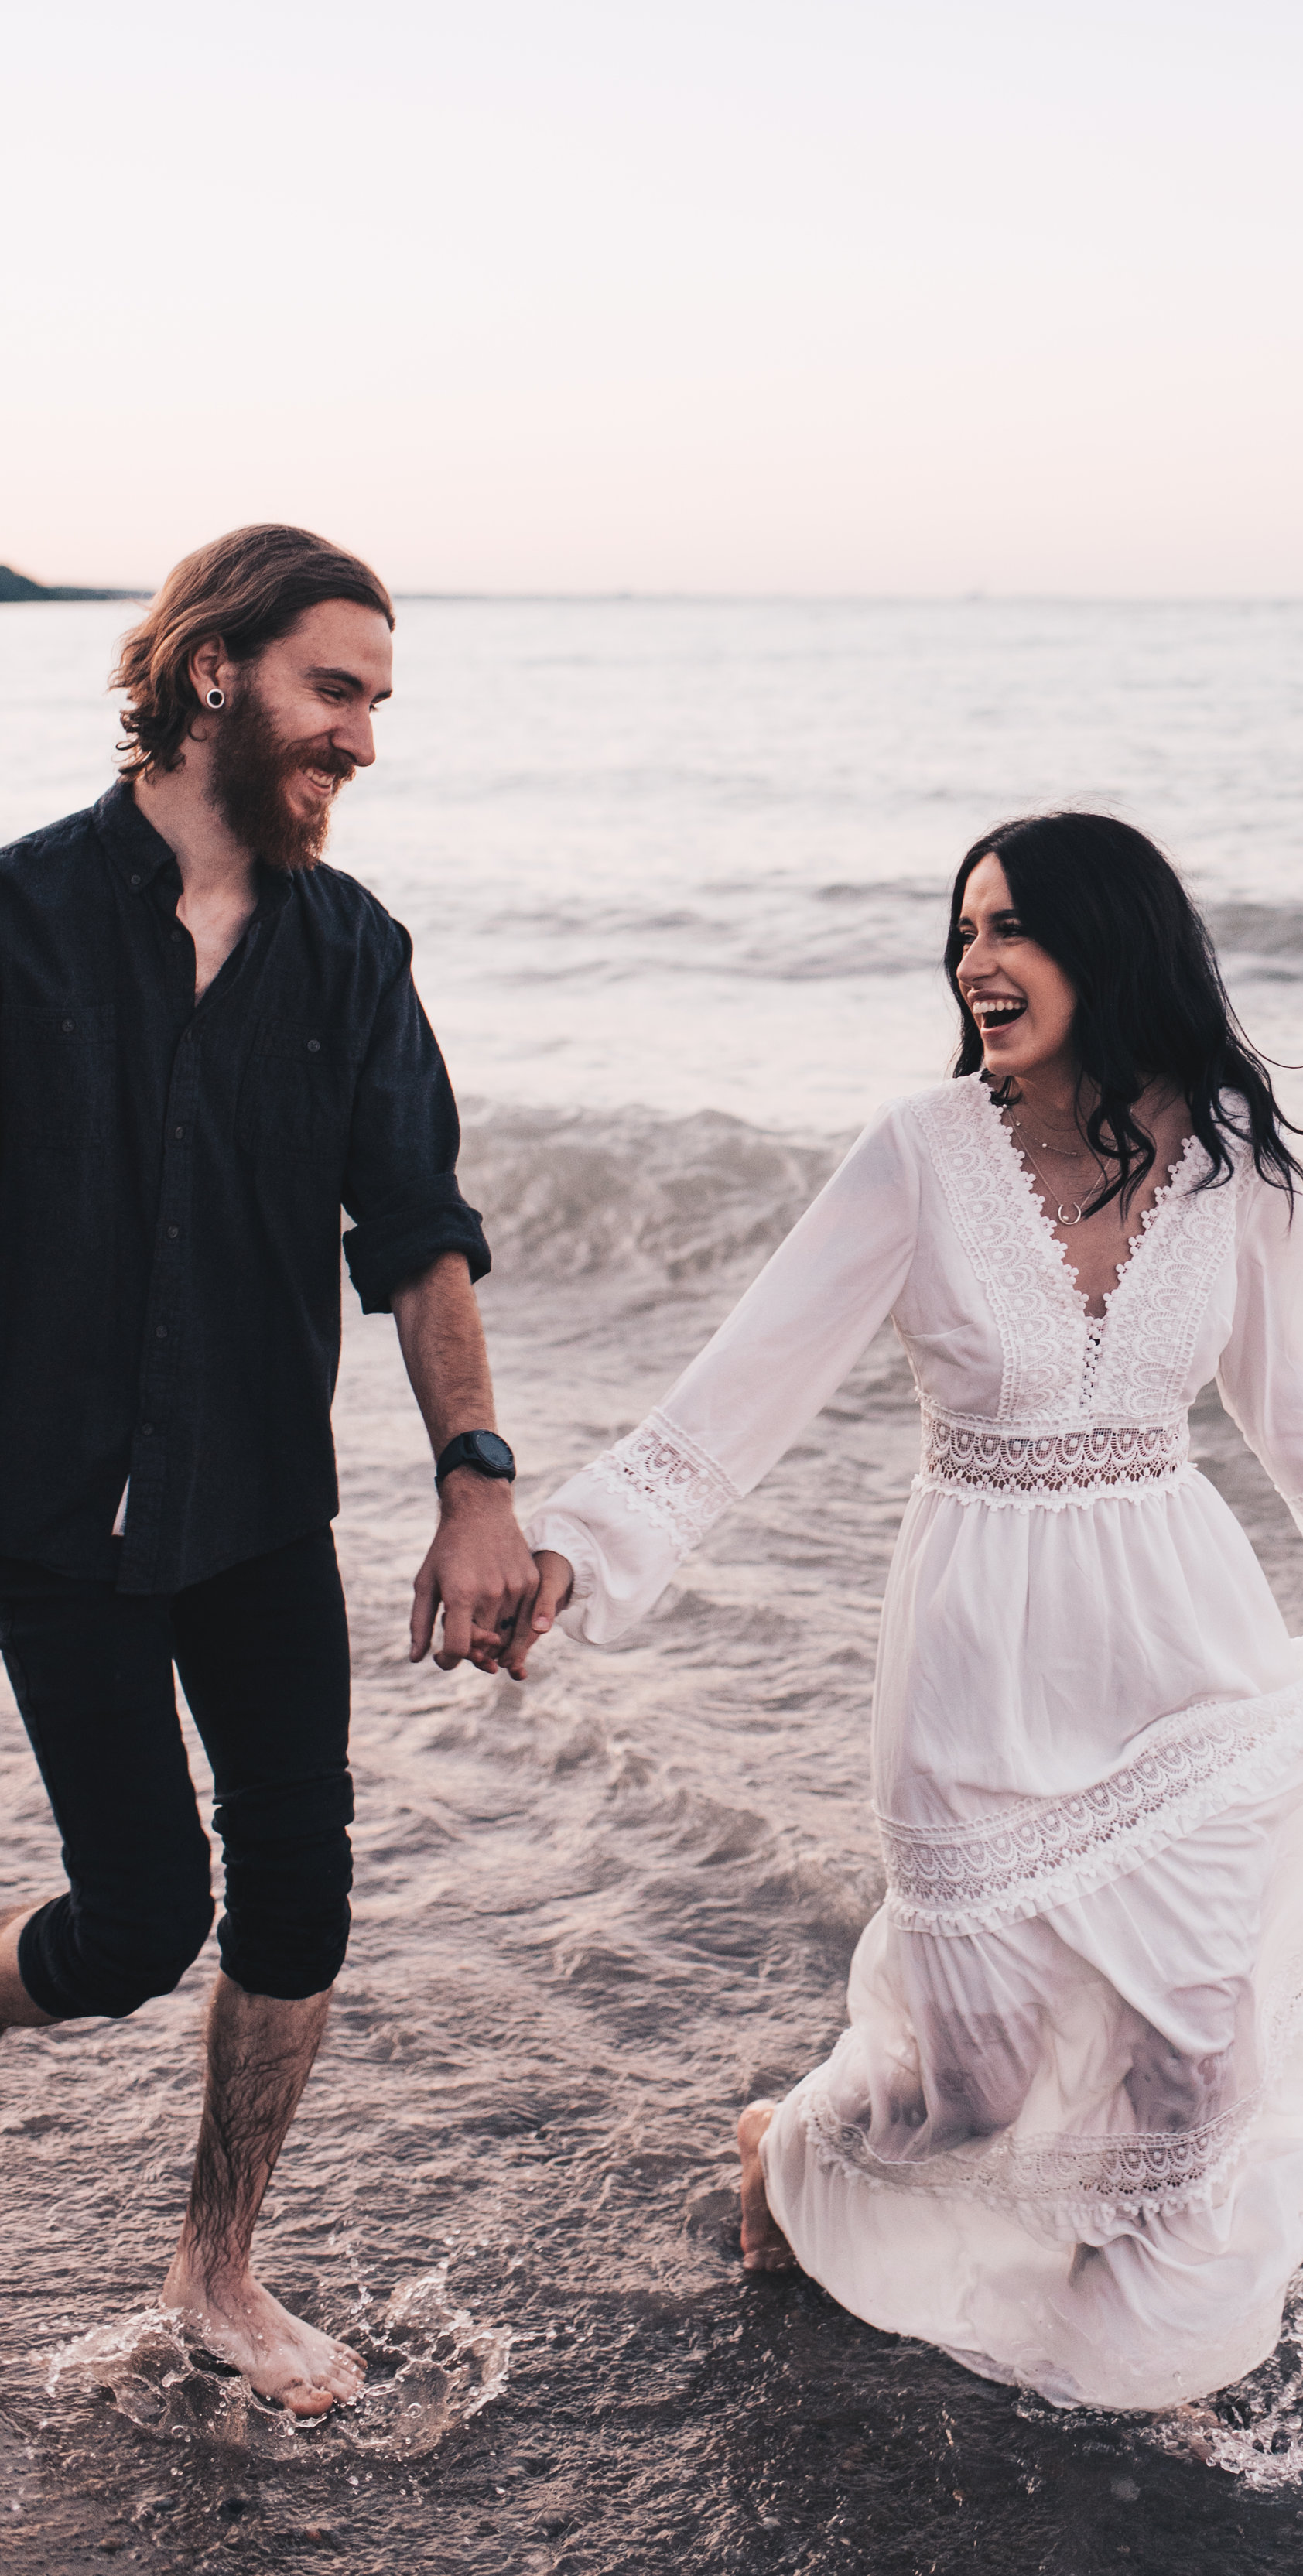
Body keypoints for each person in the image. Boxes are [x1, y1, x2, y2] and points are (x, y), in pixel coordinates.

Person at [518, 811, 1303, 2412]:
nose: (975, 961)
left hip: (1178, 1639)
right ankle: (797, 2151)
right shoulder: (919, 1150)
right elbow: (744, 1389)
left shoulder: (1232, 1161)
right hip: (976, 1643)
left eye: (1012, 928)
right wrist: (584, 1551)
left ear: (1109, 949)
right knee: (966, 2086)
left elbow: (1301, 1419)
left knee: (1192, 2067)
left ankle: (1142, 2367)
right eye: (963, 930)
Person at [0, 525, 542, 2416]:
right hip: (49, 1517)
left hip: (251, 1510)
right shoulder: (22, 916)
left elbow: (415, 1227)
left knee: (300, 1892)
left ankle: (218, 2268)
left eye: (381, 704)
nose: (364, 741)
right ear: (215, 670)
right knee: (138, 1924)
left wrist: (476, 1480)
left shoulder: (353, 951)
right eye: (338, 691)